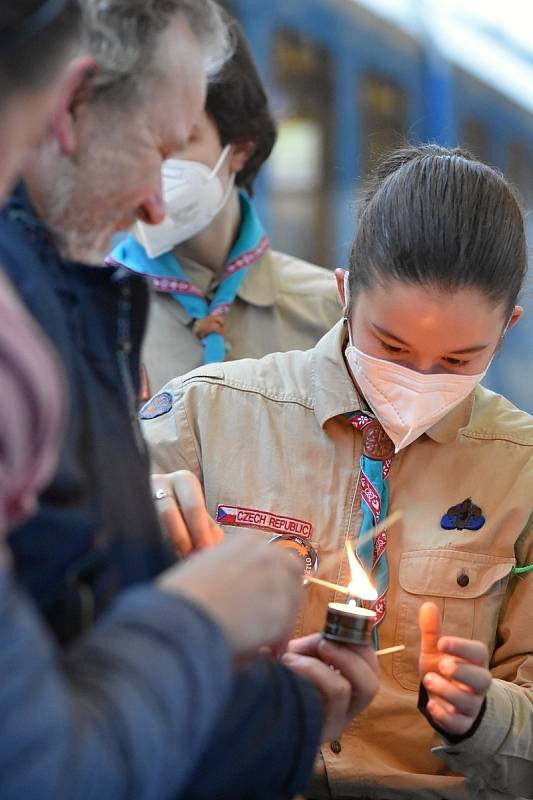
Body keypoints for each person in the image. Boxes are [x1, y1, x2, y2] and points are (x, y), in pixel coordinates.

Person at [0, 2, 380, 797]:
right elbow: (43, 761)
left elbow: (77, 633)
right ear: (69, 106)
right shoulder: (24, 336)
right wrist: (200, 623)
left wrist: (268, 702)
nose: (152, 206)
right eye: (160, 150)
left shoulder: (73, 290)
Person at [144, 144, 533, 799]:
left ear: (506, 331)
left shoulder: (519, 472)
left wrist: (484, 715)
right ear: (344, 292)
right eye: (392, 346)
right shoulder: (204, 417)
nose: (418, 380)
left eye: (459, 361)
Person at [108, 16, 340, 393]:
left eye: (180, 139)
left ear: (239, 148)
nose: (152, 163)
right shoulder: (91, 317)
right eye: (134, 139)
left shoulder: (333, 317)